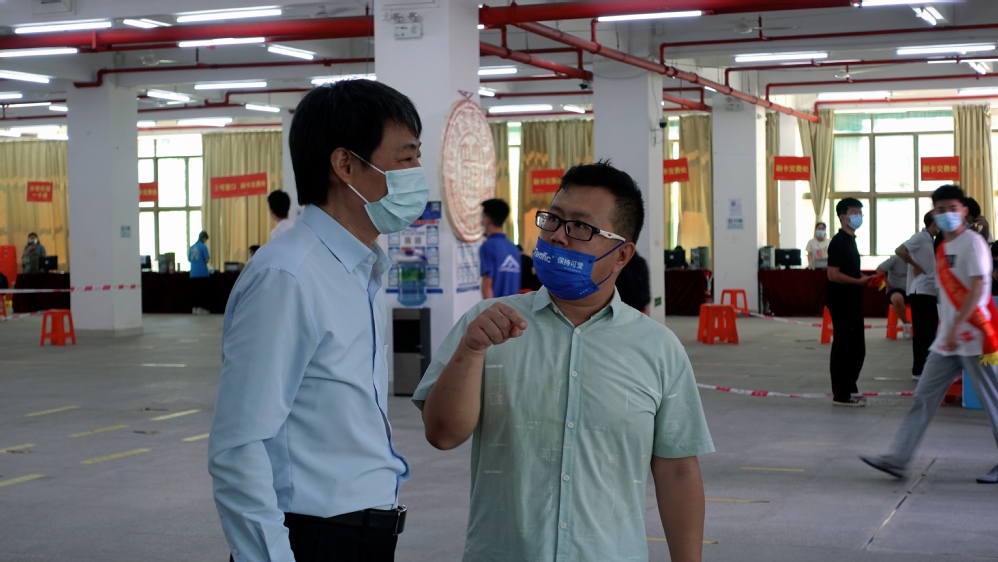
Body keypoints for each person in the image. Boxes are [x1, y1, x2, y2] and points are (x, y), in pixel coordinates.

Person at [414, 161, 714, 562]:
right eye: (553, 220)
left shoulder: (658, 347)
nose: (557, 235)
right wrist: (470, 351)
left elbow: (677, 470)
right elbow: (442, 434)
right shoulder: (486, 325)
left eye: (580, 227)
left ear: (622, 254)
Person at [208, 80, 422, 562]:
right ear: (345, 165)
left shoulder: (358, 269)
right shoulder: (289, 276)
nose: (416, 175)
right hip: (312, 538)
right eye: (406, 158)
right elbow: (238, 445)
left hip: (362, 533)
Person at [861, 185, 998, 484]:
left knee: (994, 402)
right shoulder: (943, 247)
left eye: (953, 208)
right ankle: (898, 459)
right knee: (923, 398)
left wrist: (957, 326)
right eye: (941, 209)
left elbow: (977, 289)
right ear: (934, 214)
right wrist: (949, 330)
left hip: (975, 338)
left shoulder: (973, 243)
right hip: (947, 341)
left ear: (964, 211)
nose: (947, 214)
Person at [827, 198, 872, 407]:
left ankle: (850, 387)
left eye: (860, 213)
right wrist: (857, 281)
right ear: (843, 216)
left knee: (857, 349)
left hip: (853, 300)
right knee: (844, 348)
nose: (858, 216)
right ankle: (841, 394)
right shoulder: (838, 242)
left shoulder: (851, 240)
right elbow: (833, 274)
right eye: (854, 212)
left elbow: (850, 271)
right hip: (842, 302)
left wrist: (864, 278)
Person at [897, 212, 940, 381]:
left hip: (931, 291)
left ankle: (927, 369)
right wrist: (915, 265)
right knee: (922, 334)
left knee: (930, 333)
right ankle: (918, 370)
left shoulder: (931, 240)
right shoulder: (920, 237)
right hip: (920, 291)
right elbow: (900, 250)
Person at [479, 198, 521, 299]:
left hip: (497, 307)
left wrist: (489, 307)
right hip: (514, 306)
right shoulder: (514, 249)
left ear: (487, 219)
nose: (481, 221)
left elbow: (487, 284)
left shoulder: (488, 247)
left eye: (482, 217)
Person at [877, 255, 910, 339]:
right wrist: (887, 283)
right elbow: (879, 269)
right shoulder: (896, 258)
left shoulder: (920, 259)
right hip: (897, 289)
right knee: (896, 299)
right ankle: (906, 324)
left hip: (916, 289)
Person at [188, 231, 211, 315]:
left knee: (194, 291)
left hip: (193, 273)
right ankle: (201, 308)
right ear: (204, 238)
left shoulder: (191, 247)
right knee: (202, 291)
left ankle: (194, 308)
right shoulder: (203, 247)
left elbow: (189, 259)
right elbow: (207, 259)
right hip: (202, 273)